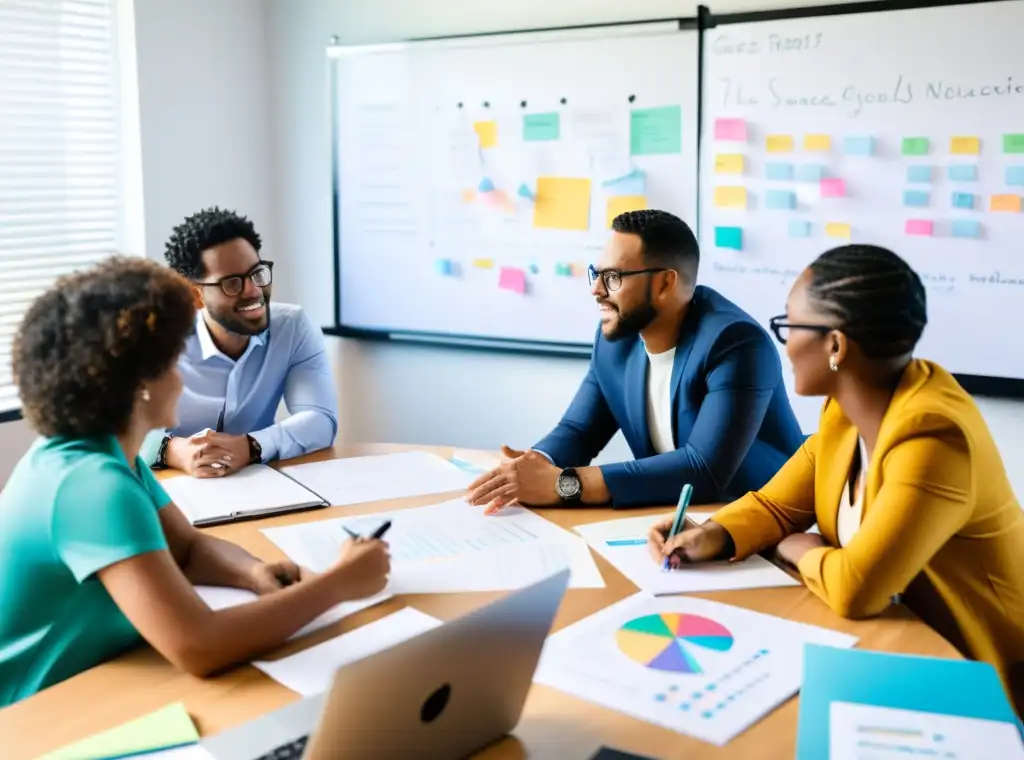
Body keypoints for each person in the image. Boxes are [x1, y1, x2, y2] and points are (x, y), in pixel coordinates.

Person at [648, 244, 1024, 715]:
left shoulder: (934, 437)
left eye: (788, 326)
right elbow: (777, 507)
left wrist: (795, 547)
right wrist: (711, 535)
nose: (782, 344)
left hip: (976, 680)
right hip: (892, 645)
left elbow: (857, 589)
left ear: (836, 346)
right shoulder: (846, 410)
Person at [0, 257, 389, 707]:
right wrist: (338, 583)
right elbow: (199, 646)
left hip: (92, 684)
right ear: (140, 383)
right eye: (172, 362)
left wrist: (253, 573)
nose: (181, 377)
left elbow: (186, 549)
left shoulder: (106, 457)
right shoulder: (92, 486)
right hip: (29, 721)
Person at [467, 209, 804, 513]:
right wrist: (533, 466)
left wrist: (562, 484)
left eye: (613, 277)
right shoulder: (617, 338)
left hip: (762, 520)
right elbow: (580, 430)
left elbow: (703, 469)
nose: (596, 290)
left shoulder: (736, 343)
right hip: (674, 518)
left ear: (664, 283)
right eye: (595, 274)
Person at [141, 206, 338, 477]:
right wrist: (173, 451)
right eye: (232, 283)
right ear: (195, 295)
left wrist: (252, 446)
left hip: (256, 484)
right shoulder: (156, 337)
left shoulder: (292, 326)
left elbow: (320, 420)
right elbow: (113, 426)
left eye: (257, 273)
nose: (254, 291)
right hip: (172, 485)